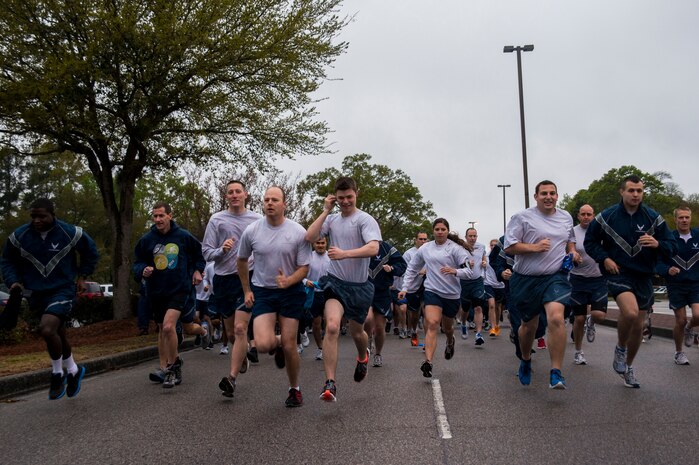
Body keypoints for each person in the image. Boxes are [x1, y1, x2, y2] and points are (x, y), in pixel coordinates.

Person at [1, 198, 99, 400]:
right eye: (33, 216)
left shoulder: (69, 232)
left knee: (46, 329)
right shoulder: (20, 236)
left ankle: (57, 373)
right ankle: (73, 370)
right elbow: (7, 260)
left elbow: (91, 252)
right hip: (36, 292)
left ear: (52, 215)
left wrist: (83, 275)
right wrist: (13, 281)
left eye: (42, 216)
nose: (37, 220)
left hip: (62, 289)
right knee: (58, 334)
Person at [585, 175, 677, 388]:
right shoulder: (606, 217)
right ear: (622, 192)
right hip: (618, 273)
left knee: (639, 326)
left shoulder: (653, 218)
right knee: (631, 312)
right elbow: (590, 242)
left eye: (639, 191)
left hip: (644, 276)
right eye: (631, 190)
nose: (636, 194)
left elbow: (671, 246)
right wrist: (605, 258)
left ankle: (628, 366)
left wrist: (657, 243)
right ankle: (620, 347)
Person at [305, 176, 381, 402]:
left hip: (359, 287)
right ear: (335, 198)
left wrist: (345, 254)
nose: (345, 201)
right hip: (335, 283)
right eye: (340, 198)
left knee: (358, 332)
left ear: (356, 194)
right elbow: (309, 237)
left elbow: (373, 248)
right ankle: (330, 383)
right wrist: (325, 211)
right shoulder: (332, 220)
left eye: (349, 197)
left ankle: (362, 357)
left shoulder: (365, 220)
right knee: (332, 327)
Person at [233, 186, 310, 407]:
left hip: (291, 291)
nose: (269, 203)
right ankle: (277, 344)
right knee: (264, 345)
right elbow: (241, 260)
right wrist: (247, 290)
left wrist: (288, 280)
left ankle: (294, 389)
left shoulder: (297, 231)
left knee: (290, 345)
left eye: (274, 199)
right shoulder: (252, 230)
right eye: (266, 199)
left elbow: (304, 268)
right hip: (263, 291)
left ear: (284, 204)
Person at [505, 180, 578, 390]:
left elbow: (569, 240)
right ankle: (526, 359)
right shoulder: (522, 217)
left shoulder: (565, 217)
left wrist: (572, 251)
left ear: (557, 196)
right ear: (535, 196)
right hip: (526, 279)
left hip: (555, 277)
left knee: (556, 317)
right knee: (528, 326)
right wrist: (534, 247)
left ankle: (556, 372)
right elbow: (509, 247)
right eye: (544, 193)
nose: (548, 197)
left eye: (552, 193)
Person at [133, 202, 207, 388]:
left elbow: (199, 255)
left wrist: (198, 271)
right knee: (162, 330)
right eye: (155, 216)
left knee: (168, 326)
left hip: (179, 288)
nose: (158, 219)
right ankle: (164, 368)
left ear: (169, 216)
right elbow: (137, 262)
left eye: (161, 216)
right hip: (156, 290)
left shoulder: (183, 236)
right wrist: (143, 270)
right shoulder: (147, 240)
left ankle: (173, 367)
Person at [201, 180, 262, 393]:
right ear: (226, 196)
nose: (234, 195)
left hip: (249, 277)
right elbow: (206, 252)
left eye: (238, 191)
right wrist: (221, 250)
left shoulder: (257, 219)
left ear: (246, 194)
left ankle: (232, 378)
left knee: (239, 327)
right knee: (231, 331)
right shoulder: (217, 219)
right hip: (224, 279)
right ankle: (242, 354)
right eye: (230, 192)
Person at [399, 218, 473, 378]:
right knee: (432, 323)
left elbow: (469, 272)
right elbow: (412, 268)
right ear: (433, 231)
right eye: (437, 229)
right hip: (432, 291)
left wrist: (455, 271)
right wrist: (405, 288)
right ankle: (428, 362)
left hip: (451, 295)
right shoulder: (426, 248)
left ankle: (450, 340)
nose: (440, 232)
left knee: (447, 327)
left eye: (443, 229)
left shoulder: (456, 249)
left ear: (447, 231)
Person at [656, 206, 699, 366]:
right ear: (675, 220)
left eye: (687, 217)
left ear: (690, 218)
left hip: (695, 284)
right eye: (681, 217)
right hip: (676, 286)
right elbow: (658, 264)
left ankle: (690, 327)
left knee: (698, 315)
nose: (684, 220)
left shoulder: (698, 236)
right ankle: (679, 353)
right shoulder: (669, 240)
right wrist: (668, 270)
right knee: (680, 320)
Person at [569, 205, 608, 366]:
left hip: (598, 278)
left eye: (589, 214)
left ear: (594, 216)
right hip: (578, 279)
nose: (586, 217)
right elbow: (568, 249)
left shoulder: (601, 231)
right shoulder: (572, 231)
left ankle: (591, 322)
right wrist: (573, 255)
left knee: (599, 315)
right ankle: (578, 352)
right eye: (583, 214)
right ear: (578, 216)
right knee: (578, 319)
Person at [366, 241, 407, 367]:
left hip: (382, 292)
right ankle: (367, 343)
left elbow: (402, 264)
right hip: (364, 289)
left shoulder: (387, 248)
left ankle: (378, 354)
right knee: (367, 320)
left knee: (379, 327)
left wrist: (392, 268)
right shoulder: (359, 245)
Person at [459, 228, 488, 346]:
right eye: (470, 236)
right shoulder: (460, 248)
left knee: (478, 307)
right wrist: (465, 264)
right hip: (465, 281)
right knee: (465, 308)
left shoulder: (481, 246)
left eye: (475, 236)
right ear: (466, 237)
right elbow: (456, 262)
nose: (473, 238)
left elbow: (483, 257)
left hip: (477, 280)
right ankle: (463, 324)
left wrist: (484, 262)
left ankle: (478, 334)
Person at [304, 237, 331, 361]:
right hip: (313, 293)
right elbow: (300, 274)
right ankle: (320, 347)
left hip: (328, 293)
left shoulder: (331, 257)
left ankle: (327, 346)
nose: (320, 245)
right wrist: (306, 281)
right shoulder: (308, 257)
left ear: (326, 243)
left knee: (330, 322)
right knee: (316, 323)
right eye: (318, 243)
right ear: (313, 244)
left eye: (322, 243)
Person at [403, 232, 429, 346]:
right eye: (421, 239)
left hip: (427, 285)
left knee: (427, 312)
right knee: (414, 314)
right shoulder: (408, 254)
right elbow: (405, 271)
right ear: (416, 240)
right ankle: (413, 331)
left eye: (425, 239)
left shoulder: (431, 251)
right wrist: (419, 272)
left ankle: (428, 340)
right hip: (413, 287)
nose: (423, 241)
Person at [484, 239, 506, 337]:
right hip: (488, 284)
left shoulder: (502, 257)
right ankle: (493, 327)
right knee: (491, 305)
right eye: (492, 245)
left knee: (498, 307)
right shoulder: (487, 257)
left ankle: (496, 325)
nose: (493, 247)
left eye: (495, 245)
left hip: (500, 285)